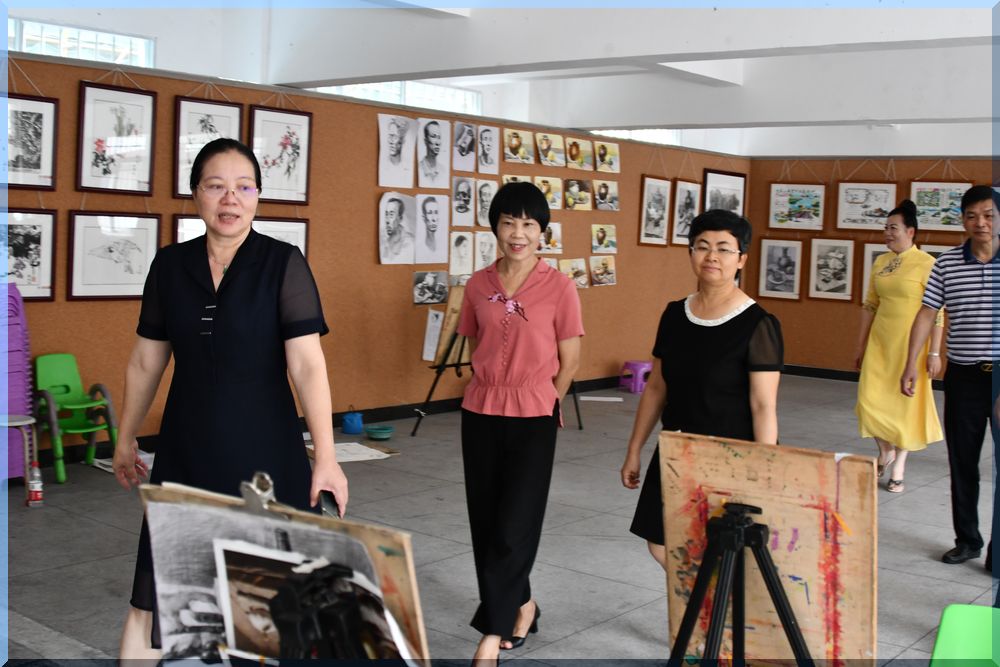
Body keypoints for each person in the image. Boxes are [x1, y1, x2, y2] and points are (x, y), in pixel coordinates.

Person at [112, 138, 348, 658]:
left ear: (258, 195)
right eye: (216, 186)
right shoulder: (170, 266)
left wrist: (327, 458)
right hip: (186, 452)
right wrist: (125, 438)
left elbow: (307, 365)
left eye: (243, 187)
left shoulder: (282, 263)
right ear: (196, 193)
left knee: (270, 603)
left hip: (267, 457)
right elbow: (146, 361)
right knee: (155, 595)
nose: (230, 199)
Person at [457, 181, 584, 665]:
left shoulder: (560, 288)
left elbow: (570, 360)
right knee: (487, 522)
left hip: (534, 415)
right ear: (495, 227)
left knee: (515, 524)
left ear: (542, 231)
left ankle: (492, 633)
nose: (518, 233)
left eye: (529, 224)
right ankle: (523, 604)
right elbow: (477, 346)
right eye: (509, 222)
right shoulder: (477, 285)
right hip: (480, 411)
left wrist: (547, 400)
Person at [620, 209, 783, 570]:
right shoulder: (674, 314)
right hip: (677, 448)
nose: (712, 256)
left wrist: (765, 467)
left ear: (741, 259)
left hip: (731, 454)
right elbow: (656, 387)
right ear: (691, 252)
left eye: (724, 249)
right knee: (660, 543)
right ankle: (704, 602)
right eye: (702, 246)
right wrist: (634, 449)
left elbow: (763, 406)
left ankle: (708, 605)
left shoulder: (758, 324)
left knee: (719, 548)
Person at [901, 185, 999, 568]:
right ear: (962, 220)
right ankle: (968, 540)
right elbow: (927, 312)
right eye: (972, 215)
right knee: (962, 462)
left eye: (989, 215)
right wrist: (912, 363)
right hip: (964, 377)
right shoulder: (947, 264)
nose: (980, 223)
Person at [854, 200, 943, 493]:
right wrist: (860, 345)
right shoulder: (880, 262)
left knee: (905, 405)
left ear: (910, 231)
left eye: (893, 228)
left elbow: (937, 313)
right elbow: (870, 304)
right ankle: (886, 450)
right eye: (885, 228)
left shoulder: (927, 263)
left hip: (911, 346)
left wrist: (934, 353)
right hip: (880, 342)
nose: (887, 233)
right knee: (868, 401)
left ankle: (899, 467)